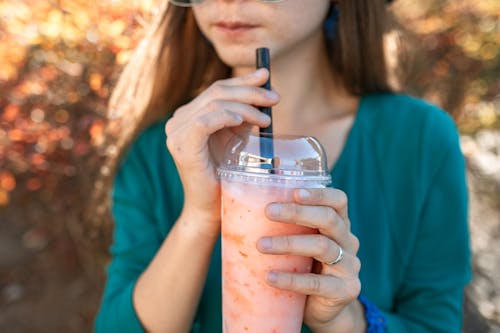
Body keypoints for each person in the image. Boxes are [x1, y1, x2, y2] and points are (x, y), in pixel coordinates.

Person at [95, 0, 471, 332]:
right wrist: (200, 215)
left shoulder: (418, 140)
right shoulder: (160, 149)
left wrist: (347, 321)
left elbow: (435, 321)